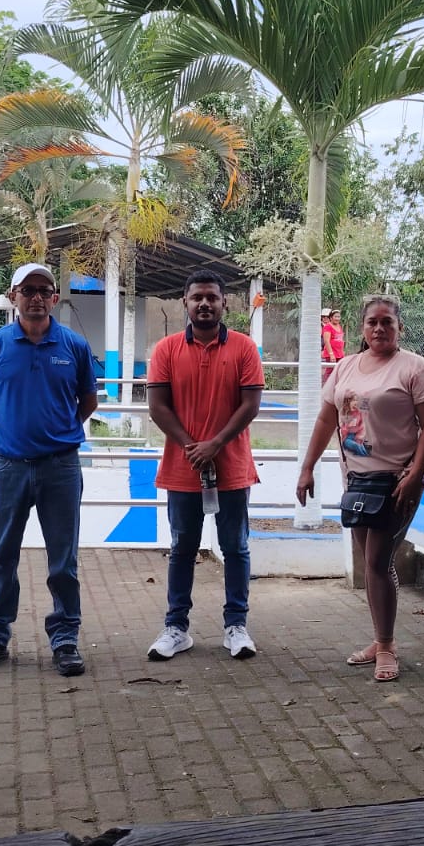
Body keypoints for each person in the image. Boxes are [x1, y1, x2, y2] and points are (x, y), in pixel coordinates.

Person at [296, 295, 424, 683]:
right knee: (373, 563)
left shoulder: (414, 368)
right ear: (362, 328)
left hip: (396, 482)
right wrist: (307, 468)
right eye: (372, 322)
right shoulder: (346, 366)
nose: (379, 328)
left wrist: (416, 473)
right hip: (357, 481)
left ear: (399, 327)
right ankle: (380, 640)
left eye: (387, 322)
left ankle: (387, 646)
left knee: (377, 562)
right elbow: (326, 419)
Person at [0, 263, 99, 677]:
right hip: (8, 468)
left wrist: (60, 432)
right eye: (28, 290)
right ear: (13, 296)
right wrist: (3, 433)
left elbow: (88, 401)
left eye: (44, 290)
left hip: (61, 468)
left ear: (55, 298)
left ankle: (65, 639)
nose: (36, 297)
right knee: (2, 555)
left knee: (63, 560)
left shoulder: (74, 346)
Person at [145, 270, 266, 661]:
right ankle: (176, 628)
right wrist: (191, 447)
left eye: (212, 297)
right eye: (197, 297)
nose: (204, 304)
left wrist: (215, 444)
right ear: (185, 301)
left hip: (231, 468)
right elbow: (157, 406)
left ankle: (236, 626)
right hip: (182, 470)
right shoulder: (166, 349)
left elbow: (250, 405)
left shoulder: (244, 348)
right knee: (182, 548)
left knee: (236, 548)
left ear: (224, 302)